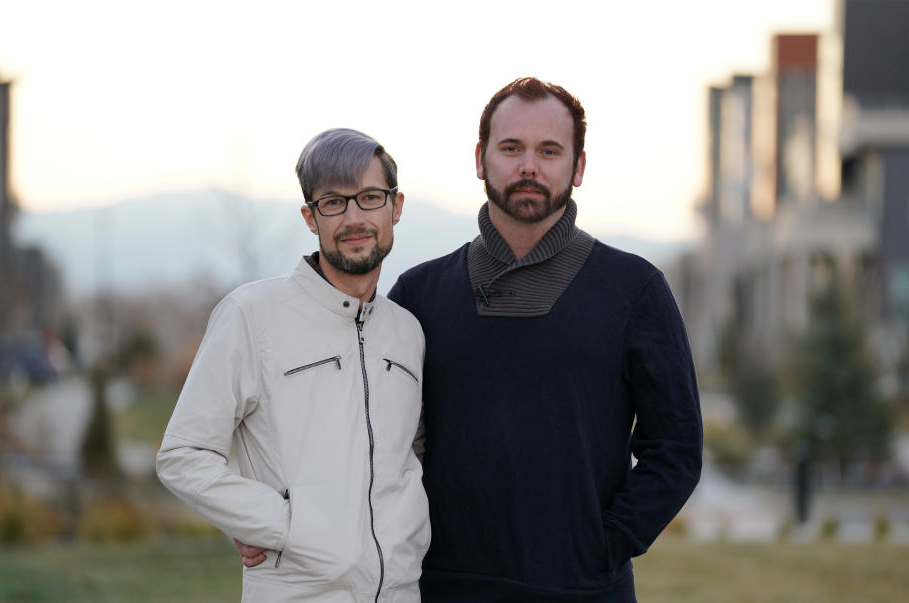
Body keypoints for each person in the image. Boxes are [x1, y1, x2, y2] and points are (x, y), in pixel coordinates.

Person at [387, 78, 703, 601]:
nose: (528, 166)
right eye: (511, 148)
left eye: (549, 150)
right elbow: (371, 438)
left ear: (578, 166)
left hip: (584, 588)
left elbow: (676, 448)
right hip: (444, 587)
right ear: (480, 158)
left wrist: (603, 546)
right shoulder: (418, 294)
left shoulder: (633, 289)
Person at [156, 128, 430, 602]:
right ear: (310, 217)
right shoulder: (252, 315)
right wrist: (278, 524)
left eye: (369, 198)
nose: (353, 217)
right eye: (333, 203)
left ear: (396, 206)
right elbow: (183, 455)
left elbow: (411, 456)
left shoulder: (408, 333)